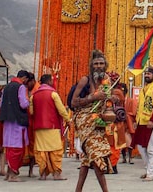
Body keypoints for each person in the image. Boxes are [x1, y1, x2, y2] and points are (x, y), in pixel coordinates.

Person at [72, 50, 113, 192]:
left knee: (86, 159)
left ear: (105, 65)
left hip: (99, 121)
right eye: (96, 64)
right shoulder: (85, 80)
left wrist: (112, 99)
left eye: (101, 63)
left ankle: (78, 190)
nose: (99, 66)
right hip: (84, 120)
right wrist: (92, 97)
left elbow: (107, 100)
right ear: (91, 65)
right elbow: (74, 102)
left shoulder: (107, 80)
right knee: (96, 156)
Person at [30, 74, 71, 181]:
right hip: (52, 126)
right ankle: (56, 174)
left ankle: (43, 174)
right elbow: (61, 110)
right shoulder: (53, 94)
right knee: (55, 151)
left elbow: (31, 112)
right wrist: (68, 120)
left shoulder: (34, 95)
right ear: (49, 82)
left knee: (41, 151)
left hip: (38, 127)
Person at [0, 70, 30, 182]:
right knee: (17, 149)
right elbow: (23, 103)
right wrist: (29, 101)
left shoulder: (5, 88)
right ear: (24, 78)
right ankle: (13, 175)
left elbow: (1, 104)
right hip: (17, 122)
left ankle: (8, 173)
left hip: (7, 122)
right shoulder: (20, 87)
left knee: (10, 148)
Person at [135, 65, 153, 182]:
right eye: (145, 74)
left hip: (151, 123)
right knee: (141, 148)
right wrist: (136, 121)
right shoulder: (144, 88)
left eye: (149, 74)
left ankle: (151, 173)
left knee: (151, 149)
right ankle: (148, 170)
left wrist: (152, 120)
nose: (146, 75)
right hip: (141, 122)